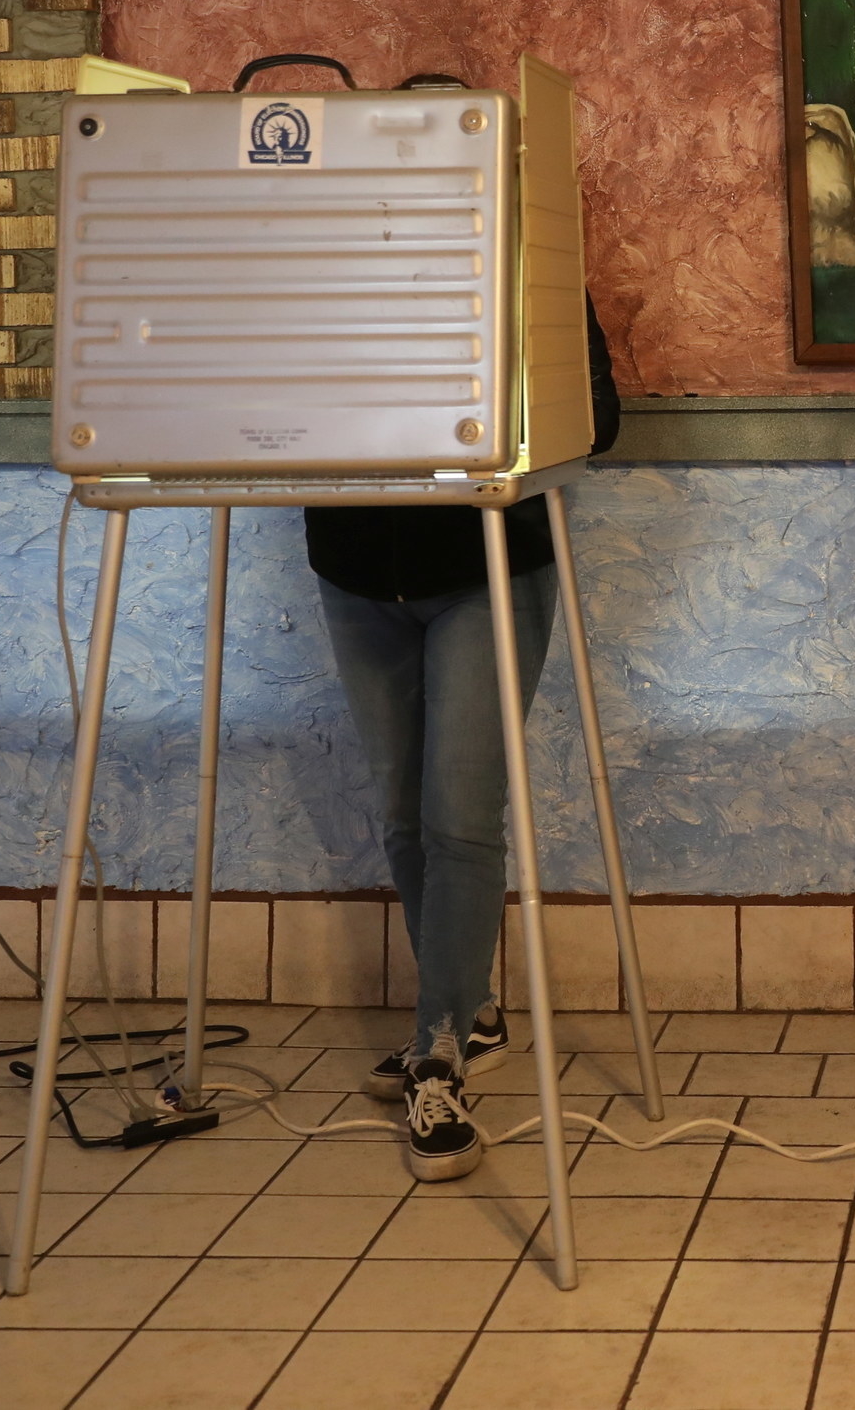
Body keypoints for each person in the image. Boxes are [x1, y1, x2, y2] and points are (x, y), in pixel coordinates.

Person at [306, 75, 622, 1182]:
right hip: (357, 574)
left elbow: (603, 420)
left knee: (460, 812)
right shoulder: (329, 270)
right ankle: (469, 1000)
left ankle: (437, 1046)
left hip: (487, 570)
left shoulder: (527, 265)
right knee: (402, 809)